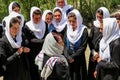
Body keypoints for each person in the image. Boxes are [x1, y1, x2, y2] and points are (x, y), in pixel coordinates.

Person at [0, 14, 31, 80]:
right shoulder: (3, 41)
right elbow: (4, 61)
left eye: (18, 28)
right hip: (11, 74)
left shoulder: (20, 38)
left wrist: (26, 50)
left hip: (23, 72)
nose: (16, 30)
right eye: (14, 28)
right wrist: (17, 53)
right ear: (9, 27)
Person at [22, 6, 48, 80]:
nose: (38, 20)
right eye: (36, 18)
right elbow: (30, 40)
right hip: (32, 54)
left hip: (43, 52)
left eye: (39, 18)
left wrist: (43, 41)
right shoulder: (27, 26)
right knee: (34, 73)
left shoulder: (45, 24)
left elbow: (47, 36)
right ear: (31, 16)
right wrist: (43, 41)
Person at [64, 9, 88, 80]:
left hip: (78, 59)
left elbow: (83, 47)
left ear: (78, 20)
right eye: (70, 21)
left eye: (73, 21)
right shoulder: (68, 29)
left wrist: (73, 57)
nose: (71, 23)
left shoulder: (83, 30)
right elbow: (64, 44)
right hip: (69, 58)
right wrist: (67, 56)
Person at [88, 7, 110, 80]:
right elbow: (90, 40)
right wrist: (93, 52)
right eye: (97, 17)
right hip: (93, 54)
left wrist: (99, 54)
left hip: (103, 55)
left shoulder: (109, 26)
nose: (99, 19)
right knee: (92, 73)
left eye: (101, 17)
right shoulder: (94, 25)